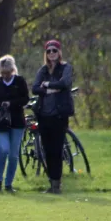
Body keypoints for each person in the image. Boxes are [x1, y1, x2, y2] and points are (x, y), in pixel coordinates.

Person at [32, 40, 74, 194]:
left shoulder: (66, 68)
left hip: (59, 115)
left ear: (59, 52)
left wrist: (48, 85)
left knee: (57, 150)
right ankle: (52, 183)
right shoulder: (43, 70)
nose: (51, 54)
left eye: (54, 51)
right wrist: (47, 90)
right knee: (47, 150)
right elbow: (35, 88)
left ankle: (57, 184)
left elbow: (65, 83)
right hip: (44, 116)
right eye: (49, 51)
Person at [0, 55, 29, 192]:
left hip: (17, 122)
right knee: (3, 149)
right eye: (3, 73)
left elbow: (25, 99)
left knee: (14, 155)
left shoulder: (20, 81)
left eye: (8, 73)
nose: (6, 76)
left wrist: (11, 104)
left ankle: (8, 183)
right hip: (1, 123)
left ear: (12, 70)